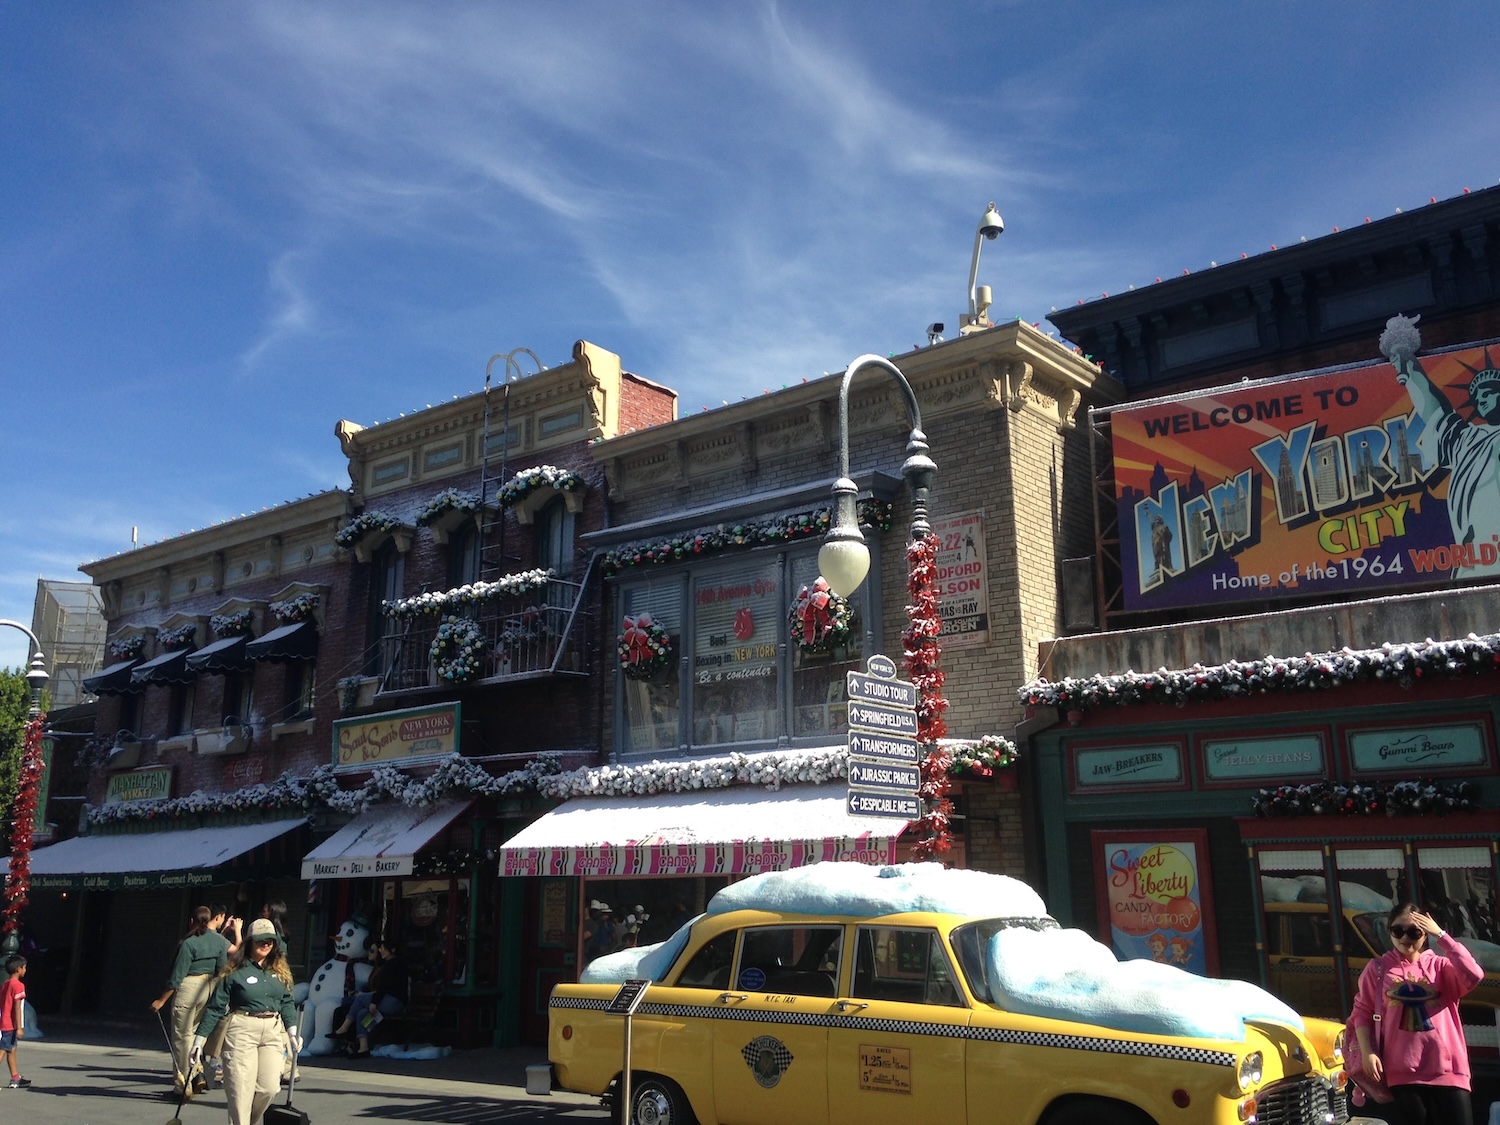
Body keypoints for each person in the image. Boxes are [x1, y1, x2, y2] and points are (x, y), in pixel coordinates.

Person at [1349, 902, 1484, 1124]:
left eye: (1414, 931)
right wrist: (1368, 1053)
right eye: (1398, 931)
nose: (1405, 938)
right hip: (1401, 1071)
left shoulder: (1440, 967)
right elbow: (1362, 1013)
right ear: (1389, 931)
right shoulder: (1378, 969)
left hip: (1448, 1069)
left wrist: (1441, 935)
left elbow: (1474, 974)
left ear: (1424, 934)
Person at [192, 918, 300, 1125]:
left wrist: (292, 1031)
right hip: (241, 1029)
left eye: (270, 940)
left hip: (273, 1030)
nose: (266, 944)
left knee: (269, 1088)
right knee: (241, 1089)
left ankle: (247, 1121)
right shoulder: (234, 971)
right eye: (261, 940)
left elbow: (287, 1001)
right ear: (250, 941)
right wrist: (199, 1041)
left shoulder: (279, 970)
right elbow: (215, 1007)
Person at [152, 905, 231, 1097]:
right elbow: (222, 969)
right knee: (195, 1035)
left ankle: (183, 1085)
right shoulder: (220, 941)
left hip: (188, 988)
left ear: (191, 921)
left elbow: (177, 976)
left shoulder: (189, 943)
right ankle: (197, 1074)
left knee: (181, 1038)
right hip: (208, 988)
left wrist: (161, 1000)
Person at [328, 940, 407, 1058]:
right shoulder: (390, 965)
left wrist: (374, 1002)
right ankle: (363, 1048)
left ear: (393, 950)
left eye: (383, 948)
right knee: (362, 1014)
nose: (381, 951)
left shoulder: (393, 964)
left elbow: (384, 987)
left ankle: (344, 1028)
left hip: (394, 1003)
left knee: (360, 999)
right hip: (387, 1004)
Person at [0, 955, 28, 1088]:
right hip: (10, 1024)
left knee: (11, 1049)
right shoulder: (18, 986)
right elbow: (17, 1007)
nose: (25, 970)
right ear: (18, 969)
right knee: (3, 1049)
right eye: (24, 967)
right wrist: (19, 1027)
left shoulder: (5, 984)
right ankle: (15, 1078)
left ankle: (15, 1077)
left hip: (3, 1021)